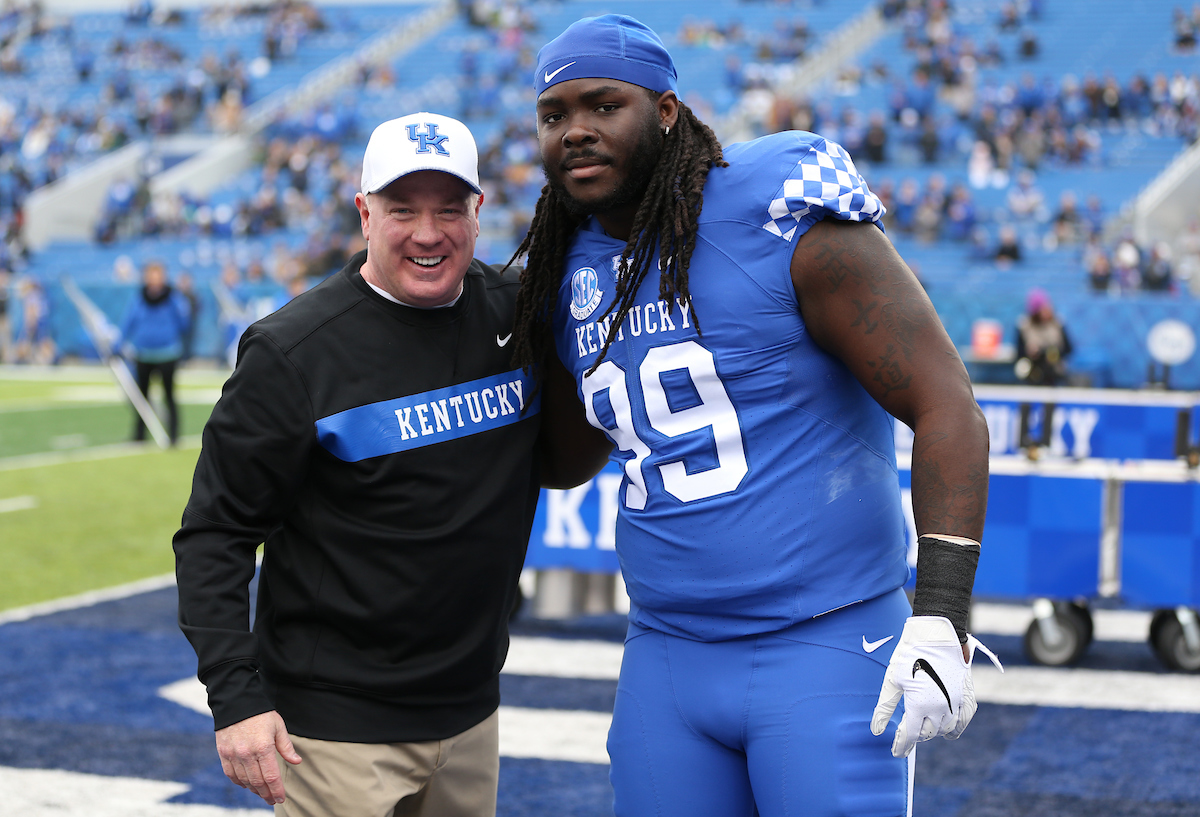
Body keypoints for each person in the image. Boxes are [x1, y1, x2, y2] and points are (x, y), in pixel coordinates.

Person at [509, 15, 996, 817]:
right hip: (666, 653)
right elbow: (562, 461)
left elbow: (946, 405)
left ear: (667, 111)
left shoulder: (775, 212)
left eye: (602, 105)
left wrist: (944, 611)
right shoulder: (568, 270)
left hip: (825, 638)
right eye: (554, 115)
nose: (575, 131)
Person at [174, 112, 543, 816]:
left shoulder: (517, 312)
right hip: (334, 731)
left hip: (470, 711)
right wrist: (235, 696)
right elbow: (214, 533)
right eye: (403, 209)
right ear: (364, 212)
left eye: (449, 208)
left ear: (479, 211)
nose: (428, 233)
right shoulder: (294, 352)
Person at [118, 260, 191, 444]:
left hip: (167, 353)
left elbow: (184, 322)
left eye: (158, 275)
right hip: (143, 353)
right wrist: (119, 343)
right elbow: (129, 321)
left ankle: (174, 434)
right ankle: (140, 435)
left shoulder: (173, 298)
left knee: (169, 395)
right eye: (151, 275)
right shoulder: (139, 298)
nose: (154, 279)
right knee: (142, 397)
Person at [1015, 288, 1071, 386]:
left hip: (1053, 370)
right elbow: (1019, 352)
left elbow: (1068, 348)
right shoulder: (1024, 326)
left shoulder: (1057, 324)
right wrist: (1029, 352)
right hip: (1032, 370)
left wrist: (1054, 353)